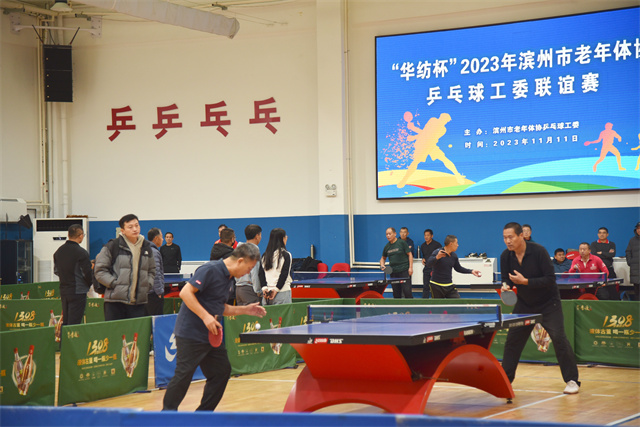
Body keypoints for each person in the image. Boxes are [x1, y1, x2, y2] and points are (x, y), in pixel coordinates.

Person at [162, 244, 266, 411]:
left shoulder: (229, 279)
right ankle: (166, 415)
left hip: (210, 335)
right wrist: (205, 317)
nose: (248, 272)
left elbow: (219, 307)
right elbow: (185, 293)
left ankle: (203, 415)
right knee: (183, 375)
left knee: (221, 371)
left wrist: (246, 310)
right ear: (240, 261)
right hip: (190, 333)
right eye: (249, 268)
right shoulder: (210, 270)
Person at [500, 222, 580, 394]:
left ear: (521, 236)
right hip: (524, 303)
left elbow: (550, 279)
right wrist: (505, 286)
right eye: (505, 238)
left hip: (548, 303)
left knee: (559, 338)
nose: (507, 241)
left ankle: (572, 380)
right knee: (513, 341)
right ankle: (505, 381)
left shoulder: (539, 252)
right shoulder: (505, 256)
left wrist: (525, 282)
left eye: (511, 237)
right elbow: (506, 278)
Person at [95, 214, 155, 321]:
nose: (135, 229)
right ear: (122, 231)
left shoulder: (146, 247)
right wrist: (114, 284)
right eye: (130, 227)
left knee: (136, 331)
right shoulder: (112, 246)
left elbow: (152, 270)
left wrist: (147, 284)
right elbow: (100, 270)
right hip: (115, 302)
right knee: (115, 331)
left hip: (138, 302)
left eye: (137, 225)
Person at [397, 112, 465, 188]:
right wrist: (414, 131)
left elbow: (427, 135)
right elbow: (425, 132)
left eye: (446, 121)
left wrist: (413, 132)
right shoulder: (433, 120)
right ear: (441, 117)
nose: (445, 122)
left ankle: (457, 175)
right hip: (423, 145)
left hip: (431, 146)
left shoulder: (443, 129)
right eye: (445, 120)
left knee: (444, 159)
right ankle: (404, 180)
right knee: (415, 162)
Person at [53, 224, 92, 326]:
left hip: (64, 290)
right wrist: (90, 284)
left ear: (68, 235)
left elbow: (56, 271)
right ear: (80, 235)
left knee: (66, 321)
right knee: (74, 323)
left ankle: (64, 337)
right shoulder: (82, 252)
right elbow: (87, 273)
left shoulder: (59, 251)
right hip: (78, 291)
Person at [259, 228, 293, 305]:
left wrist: (264, 288)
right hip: (282, 292)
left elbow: (261, 273)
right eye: (286, 237)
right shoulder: (286, 255)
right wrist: (276, 289)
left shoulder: (265, 255)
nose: (286, 238)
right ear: (282, 239)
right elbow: (284, 274)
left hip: (267, 294)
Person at [379, 227, 413, 298]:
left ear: (395, 234)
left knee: (407, 292)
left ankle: (410, 305)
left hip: (404, 271)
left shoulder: (402, 243)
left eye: (390, 234)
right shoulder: (387, 247)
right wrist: (382, 265)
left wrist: (410, 268)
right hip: (393, 273)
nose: (388, 236)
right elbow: (383, 258)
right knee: (396, 294)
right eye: (387, 234)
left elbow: (410, 254)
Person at [235, 224, 263, 306]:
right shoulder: (254, 250)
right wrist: (258, 291)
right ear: (257, 236)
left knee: (242, 314)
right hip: (249, 290)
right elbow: (255, 272)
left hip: (238, 289)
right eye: (260, 235)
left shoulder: (239, 248)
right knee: (253, 314)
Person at [146, 227, 165, 316]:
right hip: (154, 293)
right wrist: (159, 292)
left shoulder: (147, 249)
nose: (162, 239)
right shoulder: (154, 252)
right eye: (161, 237)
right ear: (156, 238)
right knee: (156, 319)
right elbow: (155, 273)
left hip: (147, 292)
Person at [419, 229, 441, 298]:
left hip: (435, 269)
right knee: (425, 286)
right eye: (425, 235)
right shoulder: (423, 246)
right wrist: (423, 259)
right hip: (426, 268)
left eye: (428, 235)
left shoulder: (437, 245)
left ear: (432, 236)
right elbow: (425, 256)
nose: (426, 237)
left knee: (435, 287)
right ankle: (424, 302)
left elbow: (441, 257)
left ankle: (436, 301)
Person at [625, 222, 640, 300]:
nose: (639, 230)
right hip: (635, 270)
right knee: (637, 292)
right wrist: (630, 261)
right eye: (638, 228)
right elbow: (628, 252)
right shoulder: (632, 240)